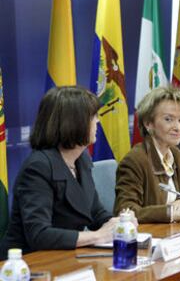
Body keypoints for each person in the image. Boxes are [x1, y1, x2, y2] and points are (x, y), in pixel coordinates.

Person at [1, 86, 131, 259]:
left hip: (64, 256)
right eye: (93, 117)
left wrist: (119, 223)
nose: (98, 121)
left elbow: (95, 212)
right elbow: (39, 235)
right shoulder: (38, 167)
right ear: (73, 122)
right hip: (29, 263)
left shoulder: (81, 159)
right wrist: (98, 236)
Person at [114, 87, 180, 223]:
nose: (178, 127)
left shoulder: (174, 154)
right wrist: (174, 214)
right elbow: (126, 210)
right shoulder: (135, 160)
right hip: (148, 238)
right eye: (168, 119)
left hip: (173, 235)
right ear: (148, 124)